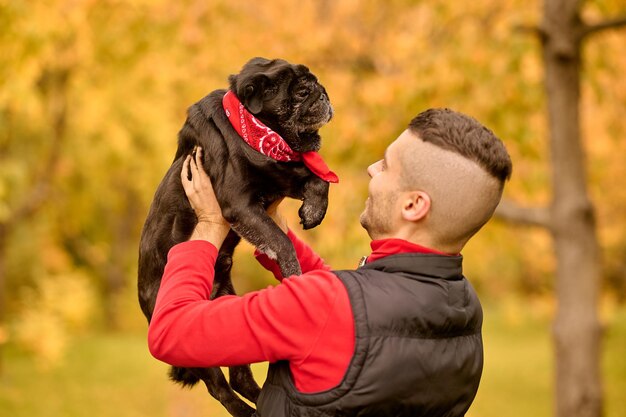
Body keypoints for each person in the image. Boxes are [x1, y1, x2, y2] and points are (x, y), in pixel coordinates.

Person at [147, 108, 512, 417]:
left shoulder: (323, 307)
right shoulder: (463, 311)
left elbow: (172, 333)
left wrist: (209, 227)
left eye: (386, 166)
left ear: (413, 206)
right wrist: (277, 235)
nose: (371, 169)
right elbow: (358, 322)